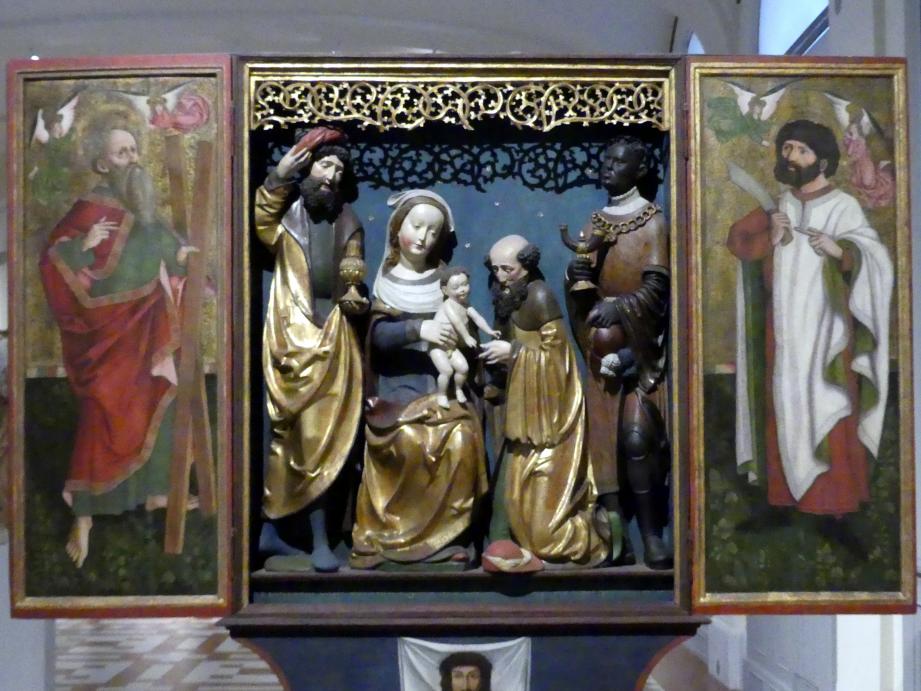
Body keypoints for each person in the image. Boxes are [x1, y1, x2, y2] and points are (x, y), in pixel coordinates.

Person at [39, 122, 198, 568]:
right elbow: (52, 258)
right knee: (102, 412)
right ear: (102, 164)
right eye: (122, 152)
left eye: (134, 149)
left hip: (147, 323)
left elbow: (164, 246)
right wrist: (82, 247)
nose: (133, 159)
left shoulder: (142, 208)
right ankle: (84, 516)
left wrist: (182, 257)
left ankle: (157, 493)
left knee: (157, 400)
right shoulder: (89, 209)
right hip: (105, 332)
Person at [727, 119, 893, 521]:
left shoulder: (842, 205)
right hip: (784, 330)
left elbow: (875, 259)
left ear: (822, 160)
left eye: (802, 150)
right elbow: (738, 241)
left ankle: (834, 502)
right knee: (785, 404)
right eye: (787, 148)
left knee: (828, 403)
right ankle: (786, 498)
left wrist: (840, 251)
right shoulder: (779, 205)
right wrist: (771, 237)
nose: (792, 156)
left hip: (828, 331)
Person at [350, 190, 488, 570]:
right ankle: (391, 534)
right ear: (397, 228)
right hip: (396, 390)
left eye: (433, 231)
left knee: (461, 437)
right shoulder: (384, 283)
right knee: (409, 439)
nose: (424, 238)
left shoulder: (445, 282)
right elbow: (376, 338)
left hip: (440, 385)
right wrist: (417, 329)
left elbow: (465, 330)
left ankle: (449, 538)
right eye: (417, 226)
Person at [254, 127, 367, 572]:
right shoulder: (285, 223)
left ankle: (315, 536)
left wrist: (355, 298)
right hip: (292, 337)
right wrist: (279, 175)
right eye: (324, 165)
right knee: (290, 439)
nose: (331, 176)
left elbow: (353, 274)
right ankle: (277, 530)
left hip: (334, 337)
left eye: (338, 169)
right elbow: (260, 217)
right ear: (307, 169)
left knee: (325, 439)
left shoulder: (348, 222)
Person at [565, 136, 672, 569]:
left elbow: (657, 288)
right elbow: (583, 287)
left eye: (619, 162)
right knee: (602, 443)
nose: (608, 167)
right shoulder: (595, 221)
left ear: (639, 169)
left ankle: (652, 534)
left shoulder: (652, 221)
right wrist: (576, 275)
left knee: (636, 436)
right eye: (605, 160)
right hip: (601, 346)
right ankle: (613, 537)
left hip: (641, 347)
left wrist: (620, 308)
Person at [482, 234, 609, 569]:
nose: (500, 276)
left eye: (507, 269)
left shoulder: (539, 295)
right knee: (511, 502)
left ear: (526, 265)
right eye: (495, 269)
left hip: (551, 419)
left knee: (545, 535)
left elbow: (557, 359)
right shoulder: (506, 297)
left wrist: (514, 354)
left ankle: (600, 533)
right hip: (521, 414)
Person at [430, 266, 500, 408]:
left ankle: (458, 389)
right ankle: (442, 395)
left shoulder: (465, 305)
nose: (462, 290)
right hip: (439, 348)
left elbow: (477, 318)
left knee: (463, 368)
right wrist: (467, 337)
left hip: (452, 347)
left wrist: (489, 331)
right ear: (445, 291)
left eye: (465, 285)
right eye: (456, 287)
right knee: (447, 371)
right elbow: (457, 322)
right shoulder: (448, 305)